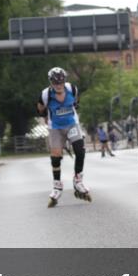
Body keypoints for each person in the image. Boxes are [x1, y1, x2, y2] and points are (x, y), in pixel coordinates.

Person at [36, 67, 91, 208]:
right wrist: (45, 114)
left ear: (65, 81)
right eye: (55, 83)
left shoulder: (72, 89)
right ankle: (57, 186)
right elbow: (40, 109)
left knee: (80, 150)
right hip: (55, 127)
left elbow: (76, 102)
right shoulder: (45, 94)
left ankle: (78, 181)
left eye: (61, 82)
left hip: (72, 124)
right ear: (51, 83)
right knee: (55, 157)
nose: (59, 86)